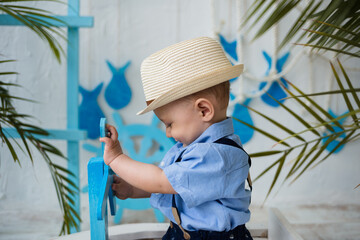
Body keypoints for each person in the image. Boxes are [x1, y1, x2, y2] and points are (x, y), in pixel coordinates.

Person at [100, 37, 253, 240]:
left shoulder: (214, 154)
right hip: (184, 233)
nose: (168, 133)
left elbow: (162, 181)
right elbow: (177, 187)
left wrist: (117, 158)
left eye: (170, 124)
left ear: (204, 110)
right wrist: (133, 189)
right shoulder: (198, 148)